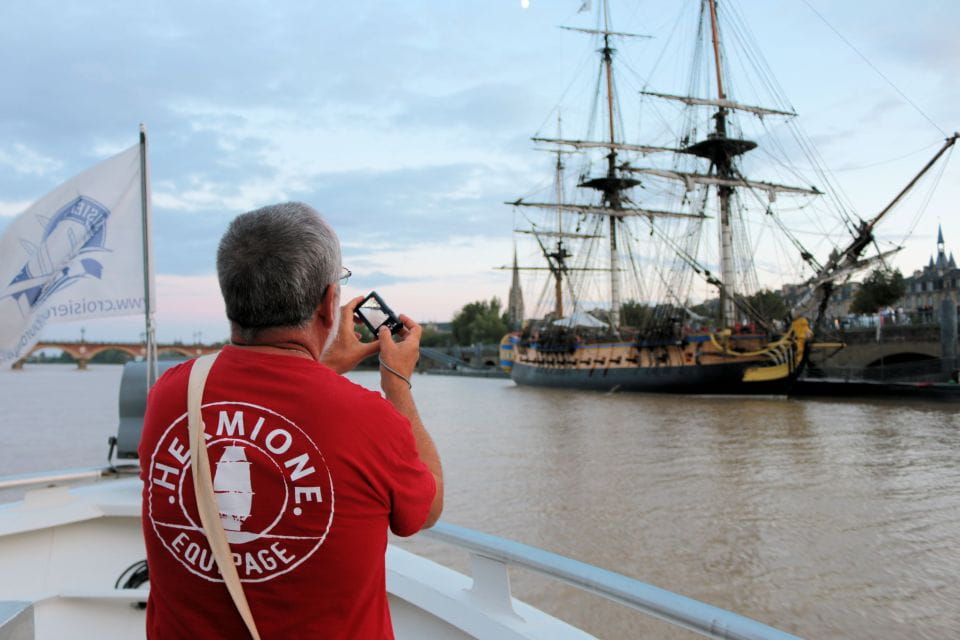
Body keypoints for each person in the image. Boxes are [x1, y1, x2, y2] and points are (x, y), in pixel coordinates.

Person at [139, 202, 443, 639]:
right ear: (327, 304)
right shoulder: (368, 418)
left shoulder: (170, 395)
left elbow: (269, 404)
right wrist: (396, 383)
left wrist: (322, 367)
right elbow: (426, 511)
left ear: (230, 296)